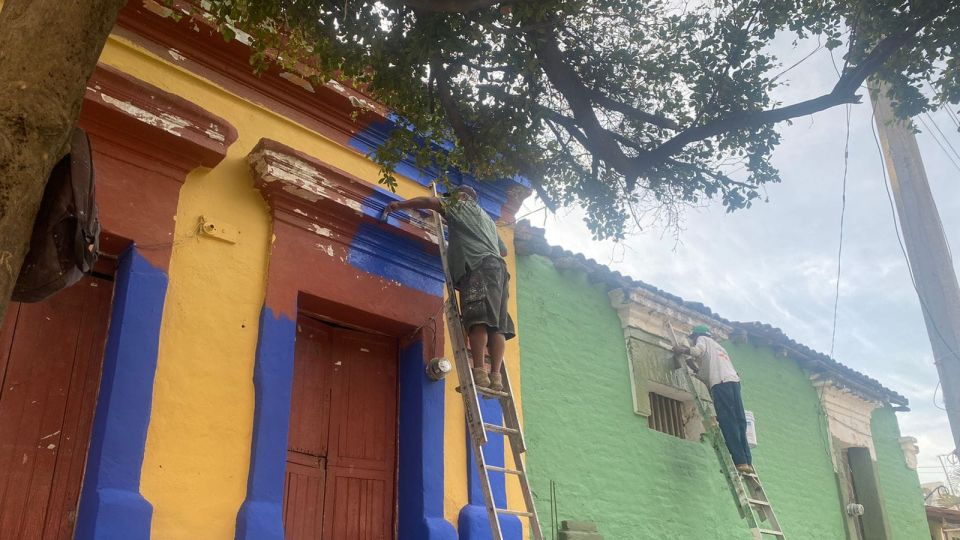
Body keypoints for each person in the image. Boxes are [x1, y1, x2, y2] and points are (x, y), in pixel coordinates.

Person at [384, 185, 514, 391]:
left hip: (477, 266)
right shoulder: (488, 220)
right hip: (499, 271)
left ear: (461, 196)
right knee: (497, 326)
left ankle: (479, 372)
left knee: (477, 320)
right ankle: (496, 377)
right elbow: (504, 250)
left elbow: (429, 203)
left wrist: (400, 204)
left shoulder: (459, 204)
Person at [674, 325, 753, 474]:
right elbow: (705, 373)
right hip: (734, 383)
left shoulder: (702, 339)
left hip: (721, 384)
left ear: (697, 335)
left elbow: (697, 351)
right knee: (739, 421)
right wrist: (693, 366)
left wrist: (683, 350)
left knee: (727, 421)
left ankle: (738, 461)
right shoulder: (720, 348)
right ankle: (746, 461)